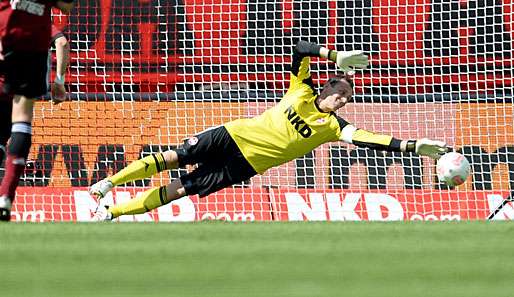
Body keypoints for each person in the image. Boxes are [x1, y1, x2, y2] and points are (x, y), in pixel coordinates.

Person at [90, 40, 448, 221]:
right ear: (327, 87)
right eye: (339, 90)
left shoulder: (333, 128)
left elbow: (374, 140)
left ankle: (113, 213)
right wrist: (334, 56)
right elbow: (299, 49)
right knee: (176, 156)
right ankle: (110, 183)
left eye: (347, 98)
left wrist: (414, 146)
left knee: (181, 188)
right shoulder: (302, 90)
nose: (342, 99)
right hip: (233, 134)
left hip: (245, 166)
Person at [0, 0, 74, 221]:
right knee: (21, 121)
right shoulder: (42, 23)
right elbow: (62, 39)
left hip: (6, 42)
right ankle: (5, 197)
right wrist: (59, 81)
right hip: (30, 50)